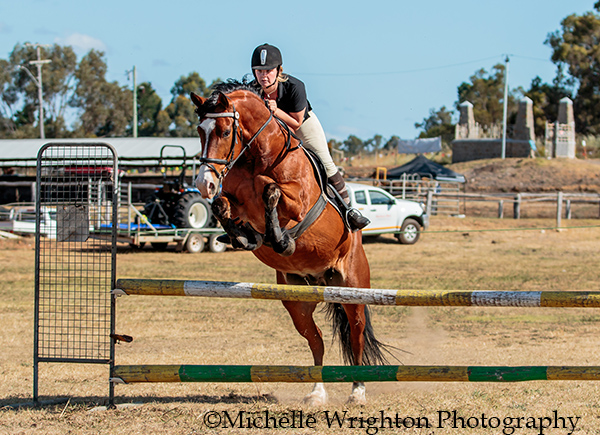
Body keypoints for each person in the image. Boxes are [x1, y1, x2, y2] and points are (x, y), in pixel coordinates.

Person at [250, 43, 369, 231]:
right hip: (272, 130)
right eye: (259, 71)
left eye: (268, 71)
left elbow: (296, 123)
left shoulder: (295, 86)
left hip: (301, 125)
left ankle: (348, 211)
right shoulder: (252, 90)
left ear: (278, 70)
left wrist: (275, 110)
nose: (263, 76)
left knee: (325, 161)